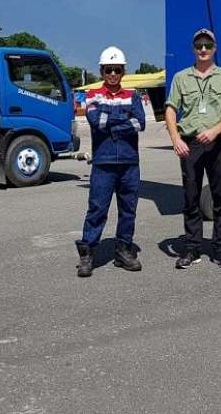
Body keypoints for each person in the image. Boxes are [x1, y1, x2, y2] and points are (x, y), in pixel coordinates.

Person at [165, 28, 221, 269]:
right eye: (199, 46)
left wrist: (216, 130)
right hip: (190, 143)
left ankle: (220, 248)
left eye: (208, 45)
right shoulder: (180, 77)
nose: (204, 49)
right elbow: (170, 109)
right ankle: (192, 248)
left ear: (215, 48)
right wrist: (176, 138)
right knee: (191, 197)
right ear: (193, 49)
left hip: (217, 143)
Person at [75, 46, 146, 277]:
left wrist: (112, 122)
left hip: (129, 164)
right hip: (103, 164)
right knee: (97, 209)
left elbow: (140, 123)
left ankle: (123, 250)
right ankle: (87, 253)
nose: (113, 74)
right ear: (102, 71)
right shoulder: (92, 95)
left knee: (128, 210)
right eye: (108, 70)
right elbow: (96, 121)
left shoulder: (133, 95)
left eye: (117, 70)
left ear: (123, 71)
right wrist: (124, 118)